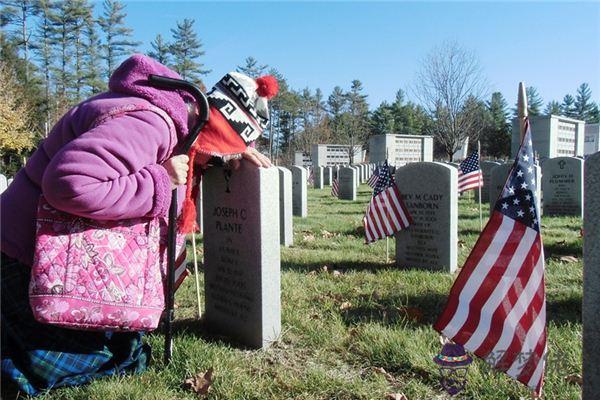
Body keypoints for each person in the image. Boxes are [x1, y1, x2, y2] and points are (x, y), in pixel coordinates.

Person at [0, 54, 276, 397]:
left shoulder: (170, 117)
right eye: (217, 153)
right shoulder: (151, 123)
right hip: (24, 260)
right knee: (113, 360)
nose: (212, 162)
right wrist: (160, 180)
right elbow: (68, 183)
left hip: (50, 258)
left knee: (128, 346)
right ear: (203, 130)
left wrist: (236, 152)